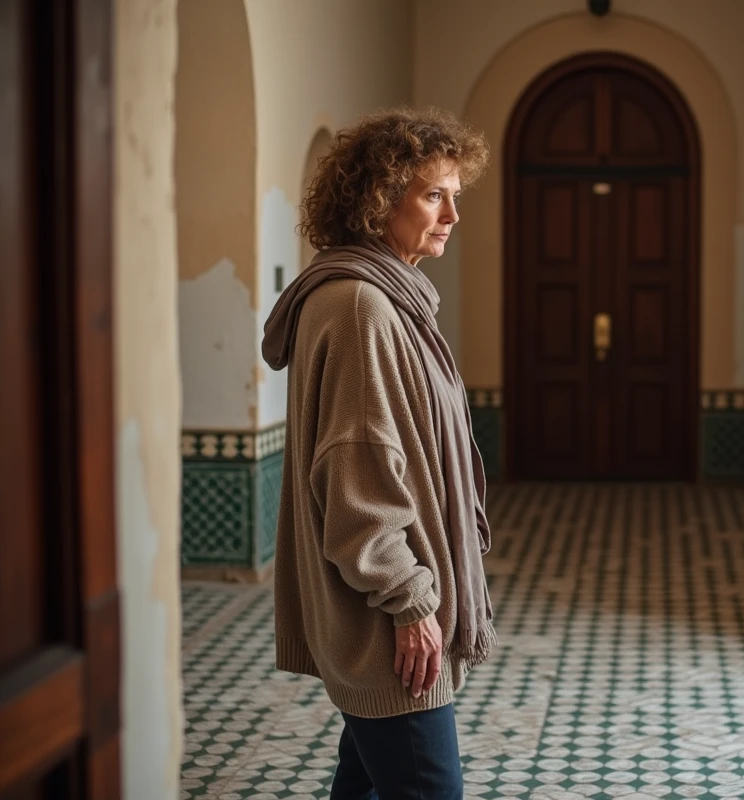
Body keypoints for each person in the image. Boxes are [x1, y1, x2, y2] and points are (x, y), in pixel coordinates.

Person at [261, 106, 495, 800]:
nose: (452, 213)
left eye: (456, 194)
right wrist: (412, 604)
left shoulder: (384, 298)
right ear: (377, 200)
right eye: (433, 194)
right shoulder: (362, 306)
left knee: (364, 781)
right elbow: (354, 471)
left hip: (380, 613)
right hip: (384, 619)